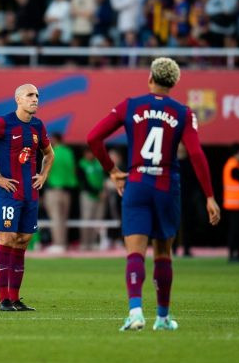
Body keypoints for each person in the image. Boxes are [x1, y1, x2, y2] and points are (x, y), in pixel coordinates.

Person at [87, 57, 220, 331]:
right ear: (174, 83)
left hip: (136, 183)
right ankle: (162, 318)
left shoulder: (130, 105)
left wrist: (112, 170)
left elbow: (93, 138)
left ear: (150, 78)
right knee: (163, 252)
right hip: (166, 186)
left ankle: (135, 312)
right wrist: (209, 196)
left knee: (135, 252)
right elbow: (195, 153)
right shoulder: (183, 112)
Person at [0, 83, 54, 312]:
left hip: (31, 193)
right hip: (9, 193)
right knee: (6, 239)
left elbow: (49, 154)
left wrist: (43, 175)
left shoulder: (38, 126)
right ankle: (3, 299)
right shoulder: (2, 123)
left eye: (37, 95)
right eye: (30, 95)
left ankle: (15, 298)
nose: (35, 99)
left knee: (23, 240)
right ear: (18, 99)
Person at [222, 142, 239, 262]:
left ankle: (238, 254)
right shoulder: (233, 166)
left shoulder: (237, 165)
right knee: (235, 231)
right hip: (234, 204)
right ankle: (233, 255)